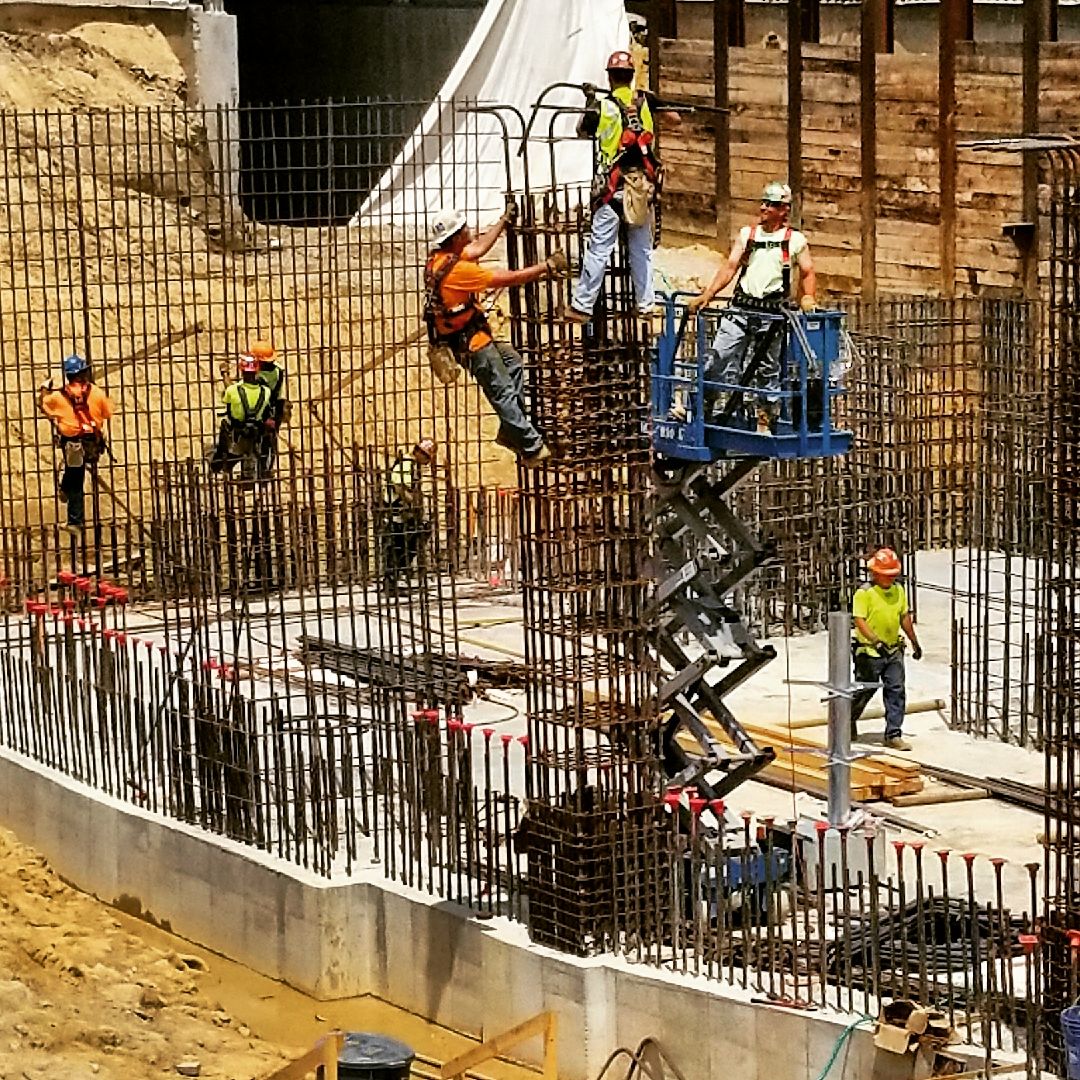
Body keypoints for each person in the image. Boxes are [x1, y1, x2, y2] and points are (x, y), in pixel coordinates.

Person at [425, 207, 567, 464]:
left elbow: (478, 249)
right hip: (473, 344)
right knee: (501, 391)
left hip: (471, 335)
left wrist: (503, 221)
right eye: (465, 228)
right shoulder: (458, 271)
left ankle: (510, 430)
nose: (470, 230)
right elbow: (508, 278)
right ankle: (531, 446)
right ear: (456, 237)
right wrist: (547, 266)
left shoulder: (441, 260)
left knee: (513, 363)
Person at [685, 181, 817, 434]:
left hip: (772, 313)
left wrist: (807, 297)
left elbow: (808, 271)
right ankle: (703, 404)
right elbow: (730, 267)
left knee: (769, 369)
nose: (763, 208)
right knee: (718, 356)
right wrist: (708, 294)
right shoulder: (749, 235)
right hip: (742, 308)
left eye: (770, 204)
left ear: (783, 210)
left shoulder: (794, 240)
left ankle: (765, 417)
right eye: (763, 202)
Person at [564, 50, 662, 323]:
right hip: (641, 188)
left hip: (613, 189)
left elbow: (582, 131)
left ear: (610, 78)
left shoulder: (603, 107)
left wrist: (590, 100)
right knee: (641, 249)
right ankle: (646, 305)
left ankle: (582, 306)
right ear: (631, 78)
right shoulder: (644, 103)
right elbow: (669, 118)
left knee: (599, 249)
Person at [850, 547, 923, 751]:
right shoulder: (864, 593)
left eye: (892, 575)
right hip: (868, 652)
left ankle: (893, 733)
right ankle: (847, 719)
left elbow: (904, 617)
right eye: (886, 575)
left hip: (892, 650)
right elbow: (859, 620)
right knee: (865, 689)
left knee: (896, 690)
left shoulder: (898, 590)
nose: (890, 579)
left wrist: (914, 642)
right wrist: (874, 640)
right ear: (875, 573)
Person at [38, 354, 114, 537]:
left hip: (72, 444)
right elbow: (108, 412)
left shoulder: (58, 396)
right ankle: (64, 490)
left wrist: (44, 388)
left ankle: (75, 521)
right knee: (74, 473)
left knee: (76, 479)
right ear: (83, 373)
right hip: (92, 444)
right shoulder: (96, 392)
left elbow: (42, 404)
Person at [209, 353, 275, 479]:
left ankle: (217, 465)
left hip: (236, 435)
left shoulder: (233, 391)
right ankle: (263, 470)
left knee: (224, 426)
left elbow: (230, 393)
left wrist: (225, 374)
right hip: (255, 436)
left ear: (242, 371)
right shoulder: (266, 392)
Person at [382, 438, 435, 593]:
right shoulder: (406, 465)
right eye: (427, 457)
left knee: (402, 545)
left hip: (402, 511)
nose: (427, 462)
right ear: (420, 453)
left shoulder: (410, 465)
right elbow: (400, 486)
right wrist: (412, 503)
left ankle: (393, 580)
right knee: (400, 546)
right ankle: (391, 581)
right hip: (399, 511)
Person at [250, 338, 287, 472]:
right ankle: (267, 468)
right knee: (270, 441)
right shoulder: (278, 370)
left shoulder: (260, 376)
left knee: (257, 440)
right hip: (276, 410)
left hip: (263, 411)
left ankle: (257, 470)